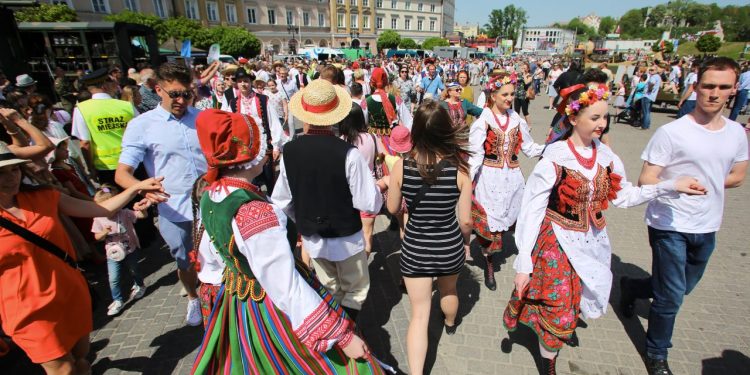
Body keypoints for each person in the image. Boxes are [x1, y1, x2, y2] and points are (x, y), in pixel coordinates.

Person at [502, 85, 706, 375]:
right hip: (555, 242)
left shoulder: (607, 156)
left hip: (591, 241)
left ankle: (556, 336)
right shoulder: (555, 157)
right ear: (573, 119)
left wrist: (670, 186)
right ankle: (549, 364)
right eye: (595, 118)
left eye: (604, 118)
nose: (602, 124)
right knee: (558, 308)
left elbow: (624, 196)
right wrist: (524, 261)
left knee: (576, 300)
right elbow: (531, 210)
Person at [189, 109, 383, 374]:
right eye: (261, 144)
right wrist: (342, 337)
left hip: (236, 299)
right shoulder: (252, 211)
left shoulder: (211, 194)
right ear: (249, 153)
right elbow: (285, 285)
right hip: (268, 302)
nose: (268, 149)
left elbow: (209, 257)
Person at [620, 57, 749, 375]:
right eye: (708, 86)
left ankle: (633, 288)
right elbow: (646, 179)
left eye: (722, 87)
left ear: (734, 90)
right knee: (670, 297)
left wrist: (706, 182)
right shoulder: (672, 132)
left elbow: (737, 176)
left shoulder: (736, 133)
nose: (714, 93)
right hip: (669, 222)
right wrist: (676, 184)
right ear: (696, 86)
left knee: (680, 287)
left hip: (708, 223)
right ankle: (657, 353)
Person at [0, 140, 163, 375]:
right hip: (27, 309)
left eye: (14, 169)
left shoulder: (44, 196)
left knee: (80, 359)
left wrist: (137, 188)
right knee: (63, 369)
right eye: (1, 173)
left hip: (68, 292)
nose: (11, 177)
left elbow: (103, 210)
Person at [272, 79, 384, 322]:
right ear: (335, 117)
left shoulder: (289, 152)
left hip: (314, 237)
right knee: (355, 290)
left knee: (329, 287)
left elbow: (281, 201)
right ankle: (347, 330)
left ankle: (334, 329)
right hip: (347, 237)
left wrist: (304, 217)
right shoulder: (348, 154)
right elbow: (368, 203)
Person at [115, 62, 208, 327]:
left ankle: (217, 297)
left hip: (210, 204)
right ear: (158, 90)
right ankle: (193, 297)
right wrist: (143, 186)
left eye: (186, 94)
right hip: (173, 209)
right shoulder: (141, 125)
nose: (181, 100)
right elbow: (122, 173)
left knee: (217, 255)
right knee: (185, 259)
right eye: (174, 94)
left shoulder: (202, 118)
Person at [384, 101, 472, 375]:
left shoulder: (401, 166)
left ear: (416, 131)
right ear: (446, 131)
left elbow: (391, 208)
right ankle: (449, 322)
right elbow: (466, 220)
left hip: (415, 249)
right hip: (449, 247)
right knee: (449, 291)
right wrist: (467, 242)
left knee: (419, 314)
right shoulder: (460, 170)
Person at [468, 73, 544, 290]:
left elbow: (528, 148)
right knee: (490, 224)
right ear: (493, 95)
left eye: (512, 94)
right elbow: (475, 156)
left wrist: (551, 148)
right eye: (505, 94)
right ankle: (489, 265)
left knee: (518, 219)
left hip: (512, 178)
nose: (510, 98)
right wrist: (466, 185)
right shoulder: (484, 120)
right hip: (489, 179)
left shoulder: (517, 120)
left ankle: (526, 262)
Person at [71, 68, 136, 185]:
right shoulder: (127, 106)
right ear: (105, 86)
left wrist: (91, 168)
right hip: (133, 163)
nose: (116, 84)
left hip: (105, 167)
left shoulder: (81, 109)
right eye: (113, 82)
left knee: (114, 199)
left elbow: (85, 143)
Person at [91, 184, 149, 316]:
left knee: (134, 270)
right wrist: (103, 233)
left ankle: (140, 285)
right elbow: (96, 237)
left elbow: (141, 216)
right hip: (112, 254)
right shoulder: (98, 219)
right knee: (113, 278)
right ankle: (117, 300)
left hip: (130, 249)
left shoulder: (124, 213)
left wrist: (143, 209)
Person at [339, 93, 382, 257]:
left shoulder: (342, 139)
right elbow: (382, 156)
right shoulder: (372, 137)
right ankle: (365, 270)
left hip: (348, 191)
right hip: (369, 189)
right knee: (367, 234)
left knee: (349, 236)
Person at [641, 65, 662, 130]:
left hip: (647, 95)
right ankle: (647, 125)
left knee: (645, 111)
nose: (650, 71)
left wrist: (649, 90)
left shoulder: (654, 77)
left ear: (656, 71)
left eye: (652, 70)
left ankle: (645, 126)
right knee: (648, 111)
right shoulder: (658, 77)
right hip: (652, 96)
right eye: (650, 70)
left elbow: (652, 83)